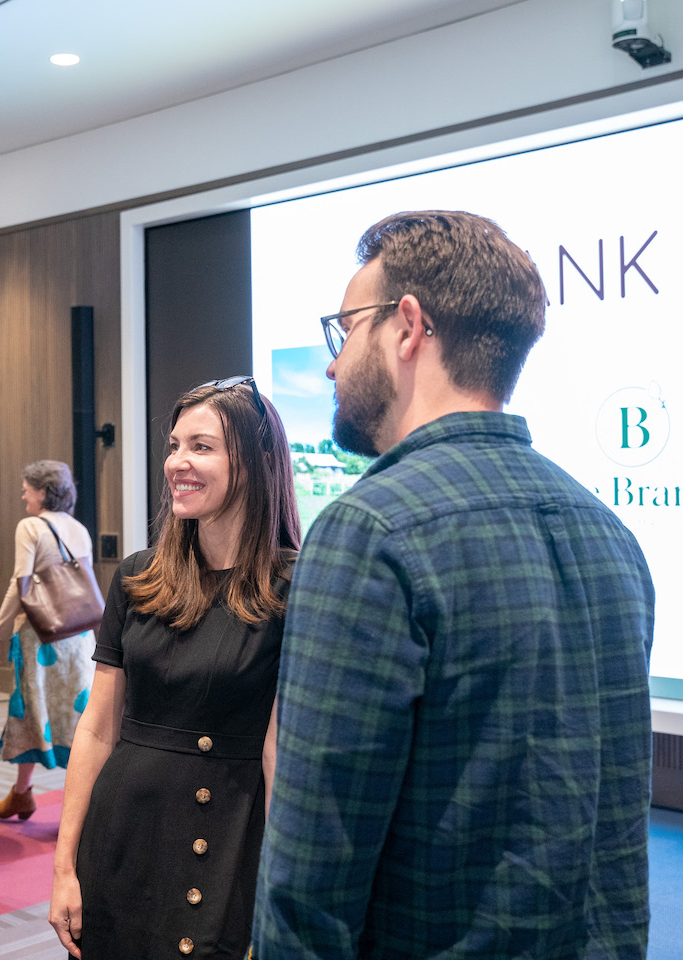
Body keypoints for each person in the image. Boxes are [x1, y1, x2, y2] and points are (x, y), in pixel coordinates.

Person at [251, 211, 657, 959]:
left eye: (344, 332)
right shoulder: (609, 533)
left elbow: (314, 864)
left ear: (408, 326)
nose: (334, 367)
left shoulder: (368, 531)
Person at [51, 378, 301, 960]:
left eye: (202, 446)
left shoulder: (295, 585)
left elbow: (277, 751)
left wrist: (283, 888)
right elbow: (95, 728)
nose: (177, 463)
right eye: (173, 445)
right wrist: (65, 865)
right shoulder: (139, 577)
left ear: (258, 462)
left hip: (226, 841)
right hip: (120, 838)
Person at [0, 460, 98, 820]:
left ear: (43, 492)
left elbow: (20, 587)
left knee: (35, 709)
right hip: (79, 638)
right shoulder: (79, 528)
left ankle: (59, 804)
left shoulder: (30, 527)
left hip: (41, 637)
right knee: (73, 715)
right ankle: (25, 794)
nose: (23, 496)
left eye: (26, 489)